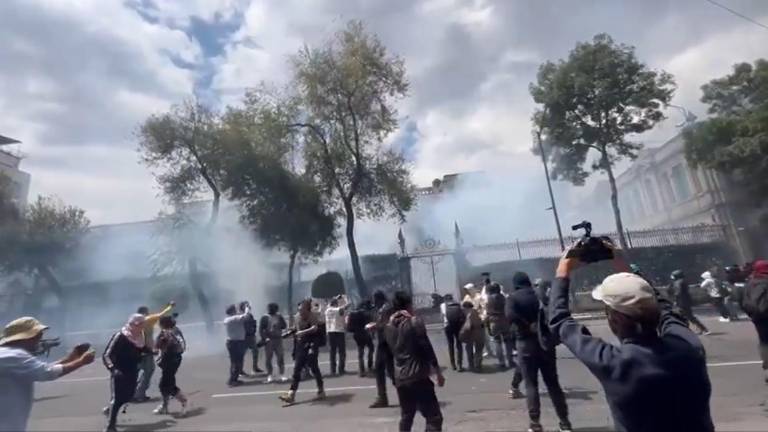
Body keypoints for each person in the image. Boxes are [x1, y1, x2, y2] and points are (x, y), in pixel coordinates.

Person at [550, 245, 714, 432]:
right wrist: (628, 270)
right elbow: (667, 310)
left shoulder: (615, 363)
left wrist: (562, 271)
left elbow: (560, 321)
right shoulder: (689, 346)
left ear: (615, 319)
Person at [0, 317, 95, 432]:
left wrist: (69, 359)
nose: (39, 339)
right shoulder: (15, 355)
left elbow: (38, 369)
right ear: (26, 337)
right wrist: (81, 362)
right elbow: (47, 373)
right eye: (37, 335)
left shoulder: (8, 355)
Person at [506, 272, 571, 432]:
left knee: (531, 385)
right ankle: (564, 422)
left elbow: (510, 315)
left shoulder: (513, 298)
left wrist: (526, 325)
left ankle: (535, 424)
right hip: (545, 343)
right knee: (553, 384)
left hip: (525, 344)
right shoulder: (539, 294)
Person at [385, 291, 445, 432]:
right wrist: (437, 371)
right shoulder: (414, 322)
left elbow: (389, 355)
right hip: (418, 376)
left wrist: (394, 378)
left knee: (407, 416)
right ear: (408, 305)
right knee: (433, 417)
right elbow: (426, 347)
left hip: (401, 378)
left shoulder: (388, 327)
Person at [103, 314, 150, 432]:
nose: (141, 327)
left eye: (143, 325)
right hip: (119, 370)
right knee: (117, 397)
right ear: (133, 324)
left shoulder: (140, 336)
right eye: (139, 325)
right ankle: (110, 426)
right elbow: (107, 355)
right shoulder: (120, 336)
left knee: (129, 396)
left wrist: (152, 351)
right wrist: (112, 369)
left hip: (132, 370)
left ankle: (110, 410)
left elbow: (142, 348)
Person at [279, 299, 325, 404]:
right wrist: (289, 332)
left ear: (307, 310)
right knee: (297, 368)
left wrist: (303, 332)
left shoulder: (312, 316)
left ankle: (321, 390)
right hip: (301, 344)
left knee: (314, 367)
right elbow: (296, 328)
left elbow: (314, 328)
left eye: (302, 310)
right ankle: (291, 394)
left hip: (312, 342)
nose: (300, 312)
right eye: (299, 310)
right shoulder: (297, 317)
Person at [133, 302, 174, 402]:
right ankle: (139, 394)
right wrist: (170, 306)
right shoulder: (147, 319)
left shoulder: (134, 323)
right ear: (145, 313)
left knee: (137, 371)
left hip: (136, 350)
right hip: (146, 350)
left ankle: (133, 392)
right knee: (149, 370)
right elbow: (162, 314)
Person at [153, 315, 188, 416]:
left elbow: (180, 345)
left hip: (171, 360)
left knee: (166, 385)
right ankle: (165, 406)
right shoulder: (169, 331)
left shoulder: (171, 332)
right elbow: (158, 345)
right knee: (166, 384)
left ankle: (184, 402)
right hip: (170, 360)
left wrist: (168, 347)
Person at [741, 259, 768, 384]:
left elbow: (742, 301)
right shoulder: (766, 282)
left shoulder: (750, 283)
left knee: (764, 342)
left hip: (758, 319)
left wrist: (752, 315)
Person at [367, 290, 396, 408]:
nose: (374, 302)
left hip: (387, 342)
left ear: (378, 299)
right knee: (381, 369)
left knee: (390, 371)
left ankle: (408, 394)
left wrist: (375, 326)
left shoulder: (386, 308)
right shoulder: (384, 308)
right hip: (383, 342)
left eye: (375, 299)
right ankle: (382, 397)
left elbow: (387, 324)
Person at [669, 270, 709, 335]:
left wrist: (675, 299)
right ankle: (700, 329)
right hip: (685, 301)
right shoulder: (682, 281)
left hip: (682, 302)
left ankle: (703, 329)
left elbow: (678, 292)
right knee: (686, 317)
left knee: (687, 317)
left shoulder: (678, 282)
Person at [486, 282, 515, 369]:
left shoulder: (489, 299)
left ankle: (501, 362)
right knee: (507, 341)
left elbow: (487, 311)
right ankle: (510, 360)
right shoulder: (503, 297)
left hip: (494, 321)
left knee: (497, 341)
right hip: (504, 319)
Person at [259, 303, 288, 383]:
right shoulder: (265, 317)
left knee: (280, 357)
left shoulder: (279, 316)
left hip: (278, 339)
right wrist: (265, 338)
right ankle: (270, 375)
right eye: (270, 308)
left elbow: (284, 326)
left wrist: (279, 324)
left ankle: (282, 374)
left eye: (273, 308)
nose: (271, 310)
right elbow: (261, 329)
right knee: (268, 358)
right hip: (269, 340)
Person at [224, 302, 251, 387]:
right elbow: (246, 316)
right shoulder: (233, 318)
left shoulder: (229, 319)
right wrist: (247, 308)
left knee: (236, 362)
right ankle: (232, 380)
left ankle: (234, 379)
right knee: (236, 362)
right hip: (236, 342)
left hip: (234, 342)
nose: (236, 310)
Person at [347, 300, 375, 377]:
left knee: (360, 352)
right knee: (371, 348)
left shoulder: (353, 313)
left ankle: (362, 370)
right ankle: (370, 366)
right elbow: (370, 324)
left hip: (357, 334)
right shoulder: (367, 313)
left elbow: (349, 327)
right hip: (365, 333)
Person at [325, 294, 351, 375]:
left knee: (332, 351)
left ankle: (332, 370)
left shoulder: (327, 310)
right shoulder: (337, 310)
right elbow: (347, 306)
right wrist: (345, 298)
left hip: (330, 331)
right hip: (339, 331)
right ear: (335, 304)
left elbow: (330, 304)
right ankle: (341, 369)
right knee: (341, 351)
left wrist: (336, 298)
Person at [440, 294, 465, 371]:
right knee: (459, 344)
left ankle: (453, 364)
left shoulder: (442, 305)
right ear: (452, 298)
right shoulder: (458, 304)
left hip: (448, 326)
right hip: (458, 325)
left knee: (450, 344)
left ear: (445, 299)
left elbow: (442, 317)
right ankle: (460, 364)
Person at [459, 301, 485, 371]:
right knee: (479, 350)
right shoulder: (476, 312)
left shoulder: (462, 313)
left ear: (464, 307)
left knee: (469, 349)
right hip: (479, 333)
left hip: (468, 334)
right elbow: (482, 321)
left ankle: (471, 365)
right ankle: (478, 365)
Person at [240, 301, 263, 376]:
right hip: (244, 337)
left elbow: (253, 323)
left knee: (255, 352)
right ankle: (240, 370)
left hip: (251, 336)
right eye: (246, 306)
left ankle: (255, 367)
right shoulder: (240, 315)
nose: (248, 307)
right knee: (242, 354)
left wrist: (254, 330)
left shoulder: (250, 315)